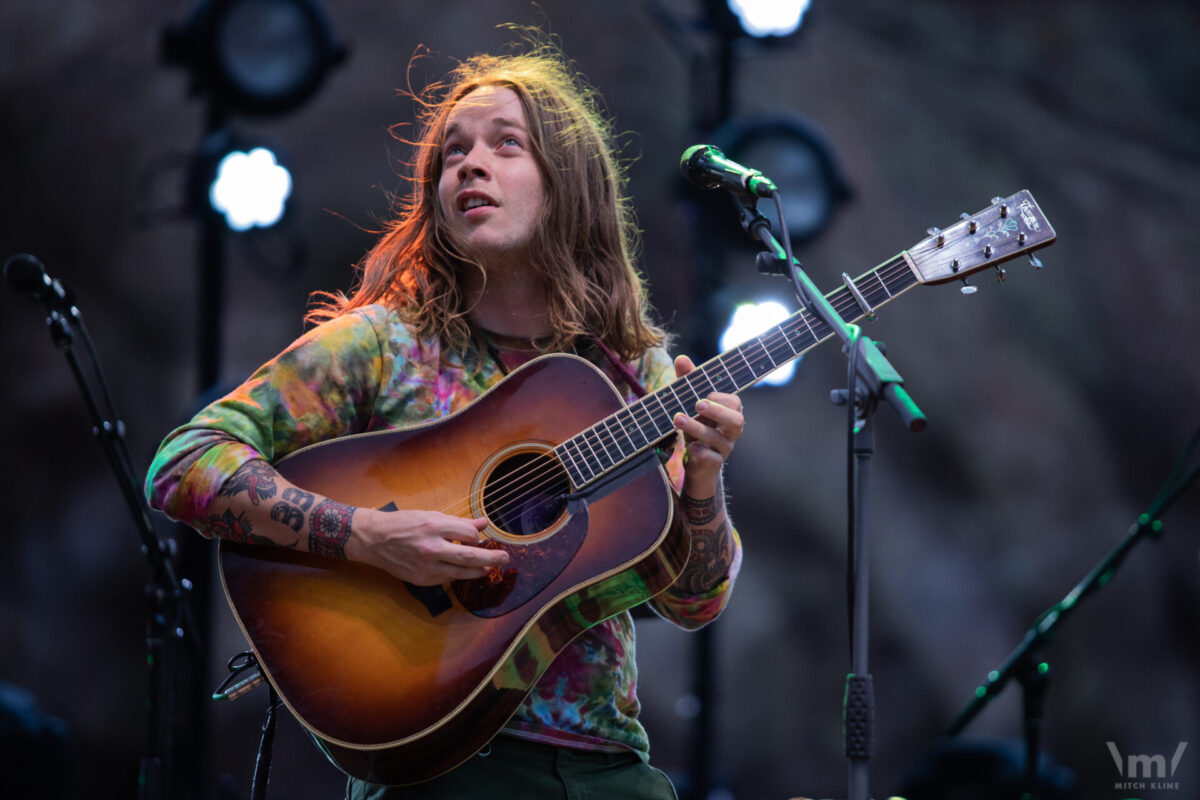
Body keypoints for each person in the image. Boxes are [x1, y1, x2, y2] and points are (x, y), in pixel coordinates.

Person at [145, 40, 744, 799]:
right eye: (452, 154)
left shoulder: (634, 374)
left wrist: (704, 483)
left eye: (506, 145)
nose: (469, 165)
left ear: (569, 184)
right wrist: (368, 537)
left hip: (609, 770)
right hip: (441, 768)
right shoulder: (382, 344)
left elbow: (691, 602)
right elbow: (183, 463)